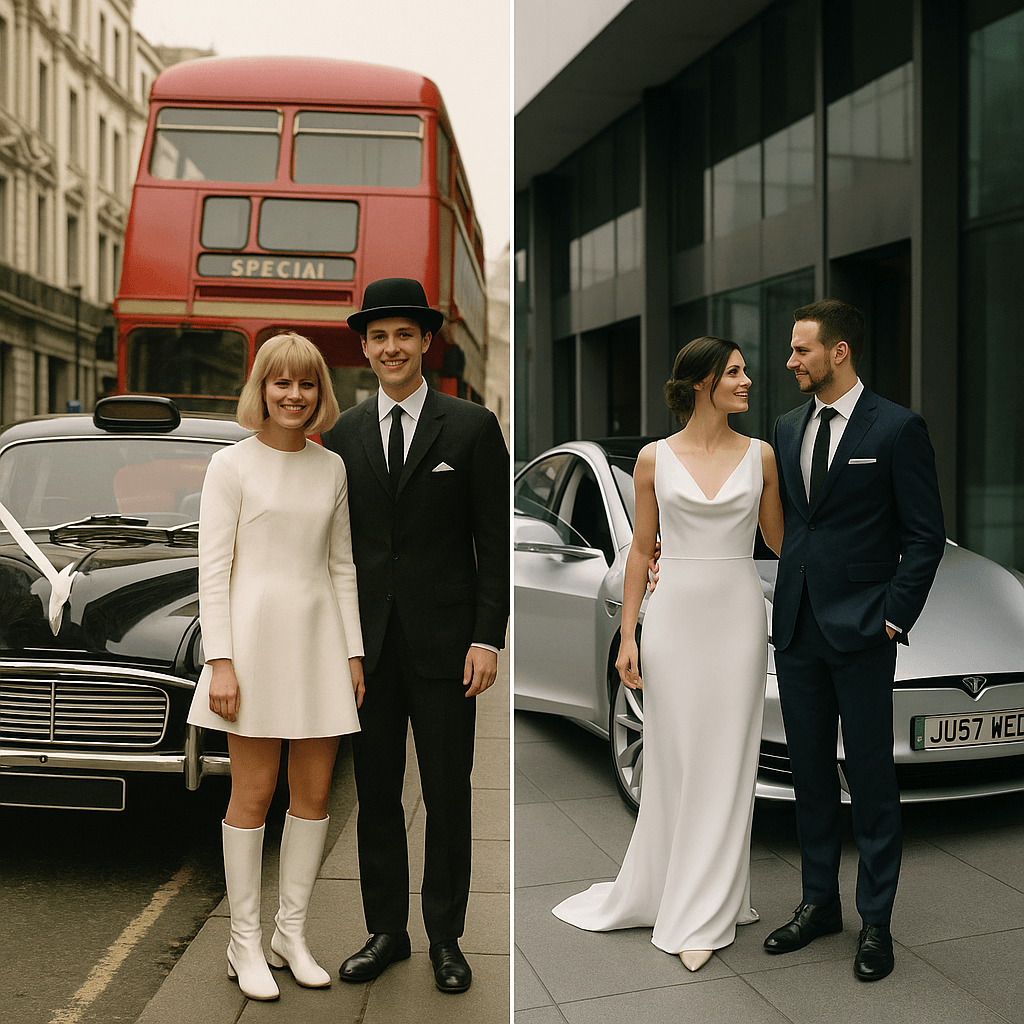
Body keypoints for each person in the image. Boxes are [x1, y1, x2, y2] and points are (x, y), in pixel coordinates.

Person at [552, 337, 784, 973]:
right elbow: (639, 553)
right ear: (703, 383)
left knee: (729, 760)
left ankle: (707, 909)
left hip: (738, 616)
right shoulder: (653, 460)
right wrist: (628, 635)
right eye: (734, 372)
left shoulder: (762, 456)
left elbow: (782, 541)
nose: (747, 380)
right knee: (675, 760)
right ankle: (671, 889)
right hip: (673, 619)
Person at [322, 278, 509, 994]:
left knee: (448, 795)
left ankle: (446, 938)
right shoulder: (343, 435)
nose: (392, 347)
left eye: (404, 334)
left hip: (447, 650)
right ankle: (386, 931)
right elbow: (338, 551)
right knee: (374, 795)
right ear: (365, 348)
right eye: (379, 336)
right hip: (368, 655)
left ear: (425, 342)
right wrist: (342, 645)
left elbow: (492, 544)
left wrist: (486, 639)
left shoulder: (470, 427)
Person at [763, 299, 945, 981]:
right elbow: (787, 526)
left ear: (839, 351)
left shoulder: (897, 428)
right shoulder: (785, 427)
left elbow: (925, 535)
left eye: (801, 349)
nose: (790, 361)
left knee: (870, 777)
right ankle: (818, 904)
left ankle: (876, 922)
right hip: (798, 628)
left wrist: (893, 616)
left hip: (865, 631)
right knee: (808, 773)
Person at [187, 332, 364, 1002]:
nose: (294, 395)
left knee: (314, 797)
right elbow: (214, 571)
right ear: (261, 388)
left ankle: (291, 934)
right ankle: (243, 942)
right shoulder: (230, 466)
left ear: (322, 393)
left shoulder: (333, 468)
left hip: (319, 644)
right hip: (253, 648)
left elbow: (340, 565)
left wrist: (353, 654)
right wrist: (221, 661)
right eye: (281, 382)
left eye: (307, 384)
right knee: (253, 795)